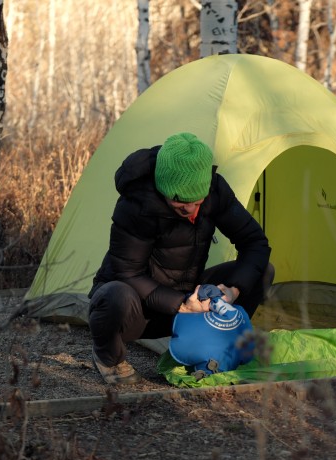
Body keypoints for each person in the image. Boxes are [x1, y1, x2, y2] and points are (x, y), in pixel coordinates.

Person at [87, 132, 274, 384]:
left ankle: (218, 344)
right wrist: (182, 304)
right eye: (181, 205)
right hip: (141, 310)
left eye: (198, 202)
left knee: (262, 271)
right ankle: (108, 358)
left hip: (188, 297)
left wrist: (232, 291)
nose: (192, 211)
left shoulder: (215, 190)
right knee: (114, 296)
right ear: (165, 190)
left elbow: (255, 243)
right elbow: (128, 273)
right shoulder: (136, 205)